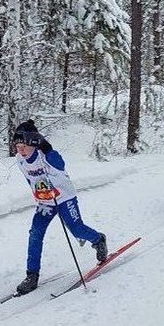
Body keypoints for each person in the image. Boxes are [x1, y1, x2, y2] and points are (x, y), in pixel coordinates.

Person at [12, 120, 108, 295]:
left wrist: (46, 147)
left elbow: (60, 165)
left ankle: (98, 239)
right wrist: (39, 194)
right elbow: (30, 179)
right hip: (45, 202)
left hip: (64, 198)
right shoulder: (20, 160)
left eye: (24, 145)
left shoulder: (47, 156)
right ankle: (32, 275)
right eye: (17, 146)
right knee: (35, 234)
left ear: (33, 143)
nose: (20, 149)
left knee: (77, 230)